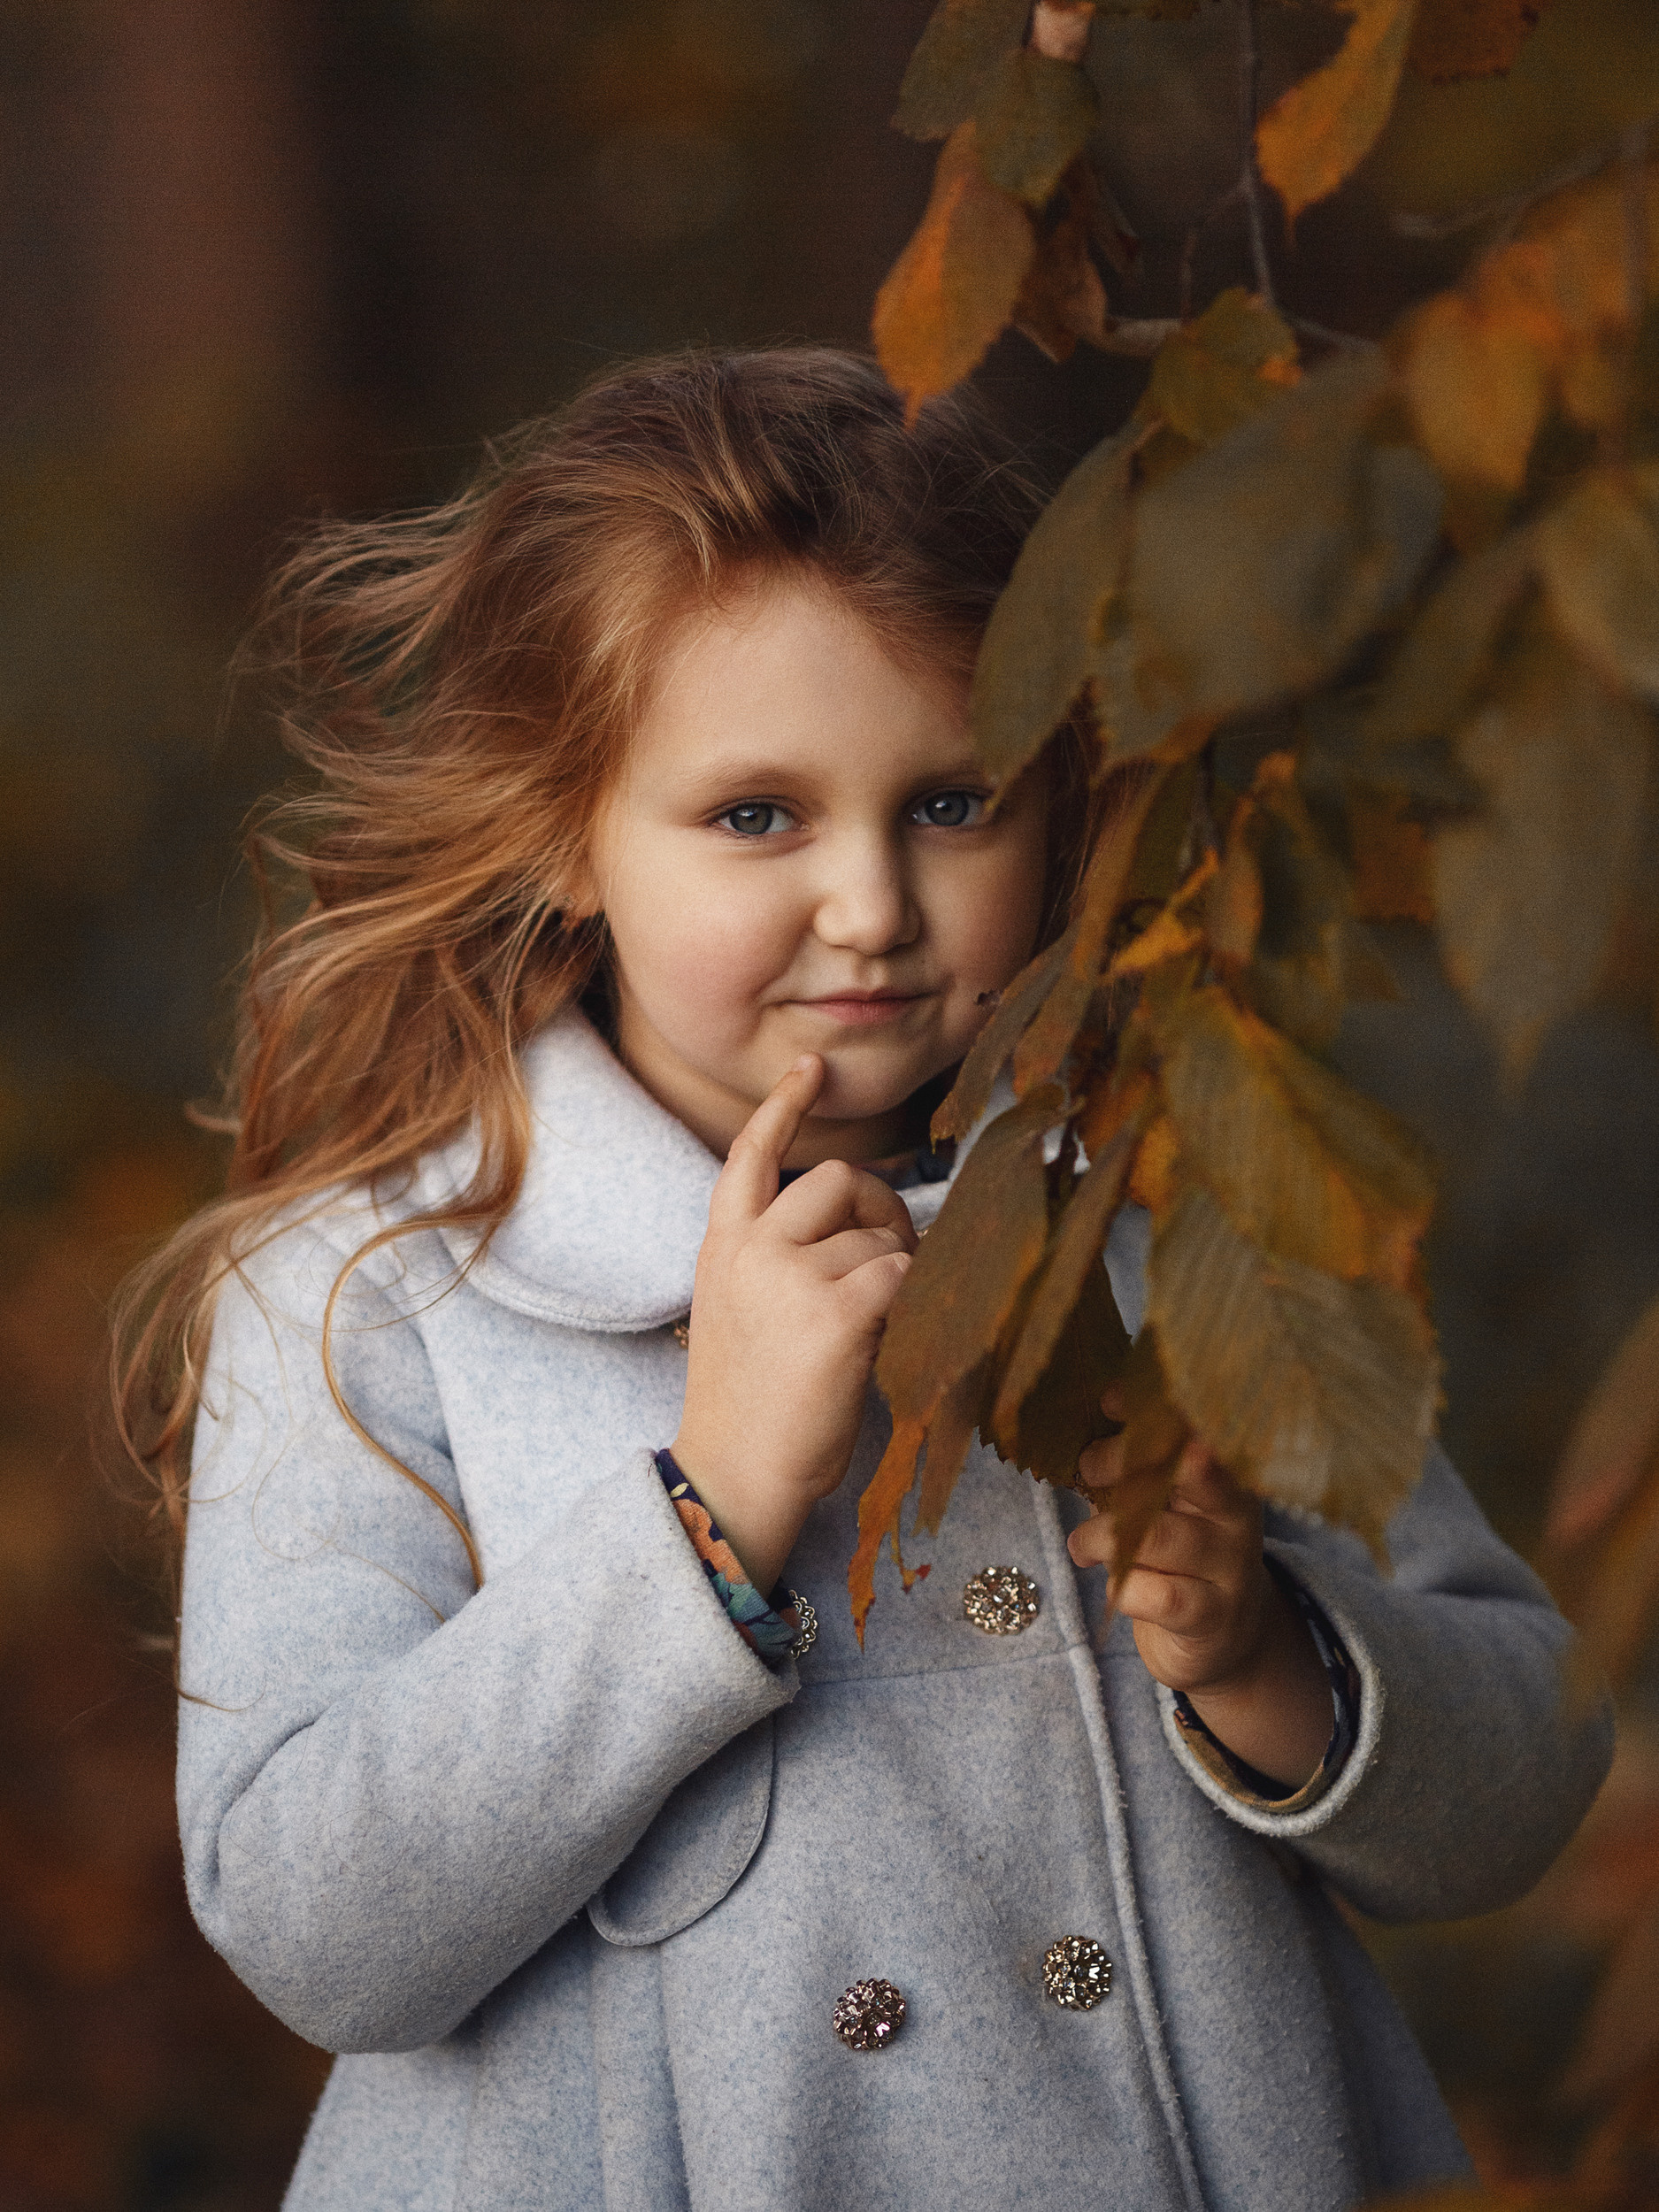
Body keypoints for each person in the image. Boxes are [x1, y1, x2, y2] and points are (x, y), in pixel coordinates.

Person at [120, 349, 1611, 2212]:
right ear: (567, 829)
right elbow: (314, 1918)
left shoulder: (1175, 1205)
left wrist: (1262, 1652)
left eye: (950, 800)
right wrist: (705, 1514)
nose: (871, 906)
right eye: (755, 814)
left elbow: (1525, 1759)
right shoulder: (371, 1293)